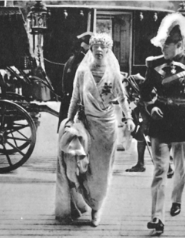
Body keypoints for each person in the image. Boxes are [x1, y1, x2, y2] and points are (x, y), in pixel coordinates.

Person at [55, 33, 135, 227]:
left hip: (107, 129)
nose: (99, 50)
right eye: (95, 47)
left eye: (103, 47)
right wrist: (69, 120)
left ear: (108, 51)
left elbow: (122, 99)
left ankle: (97, 208)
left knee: (100, 171)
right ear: (90, 50)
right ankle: (80, 200)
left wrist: (129, 117)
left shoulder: (113, 74)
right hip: (85, 125)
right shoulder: (82, 73)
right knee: (78, 166)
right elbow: (75, 98)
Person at [140, 13, 185, 234]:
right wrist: (151, 106)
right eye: (161, 45)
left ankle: (176, 200)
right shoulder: (154, 65)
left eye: (166, 46)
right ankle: (157, 218)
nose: (162, 50)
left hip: (183, 123)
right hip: (160, 123)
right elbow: (146, 91)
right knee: (159, 169)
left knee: (180, 167)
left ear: (178, 45)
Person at [58, 32, 92, 131]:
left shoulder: (73, 60)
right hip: (76, 98)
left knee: (68, 127)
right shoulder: (78, 61)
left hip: (70, 96)